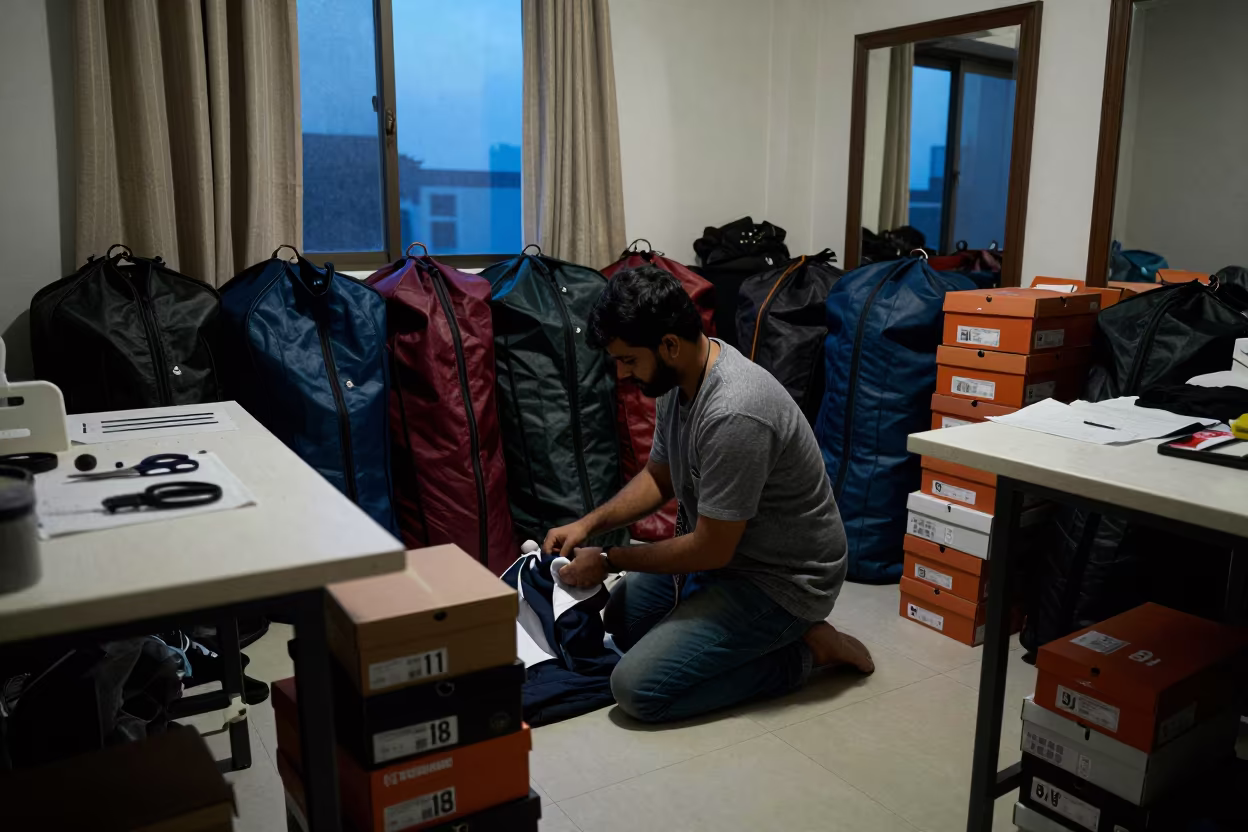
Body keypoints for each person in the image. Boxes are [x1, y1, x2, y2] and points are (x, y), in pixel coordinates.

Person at [544, 264, 873, 724]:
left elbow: (710, 549)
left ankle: (805, 652)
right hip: (730, 557)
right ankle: (749, 635)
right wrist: (588, 524)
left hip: (783, 581)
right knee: (621, 620)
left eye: (628, 360)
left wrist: (610, 559)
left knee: (637, 689)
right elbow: (660, 477)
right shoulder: (677, 378)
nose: (622, 373)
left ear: (670, 345)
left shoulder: (736, 411)